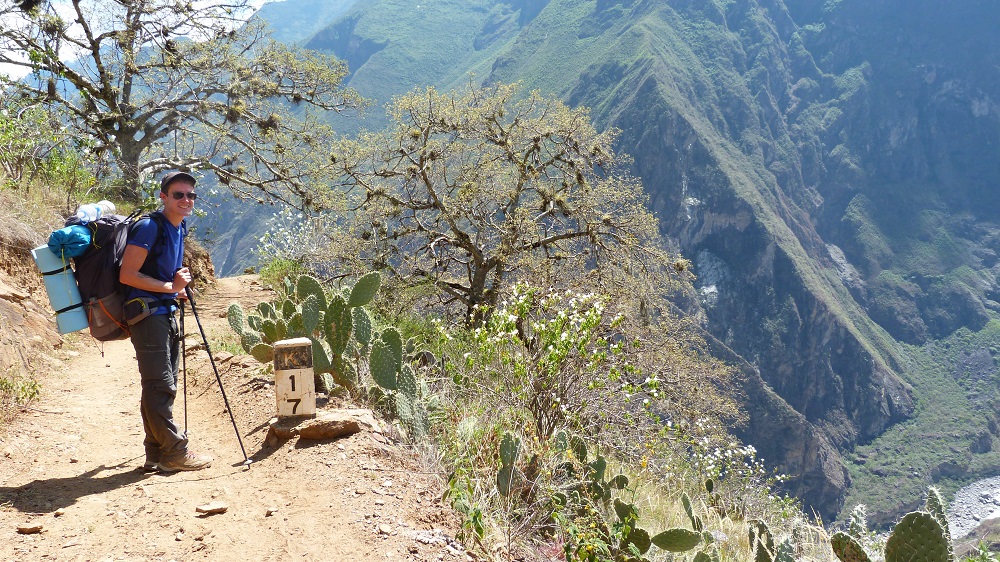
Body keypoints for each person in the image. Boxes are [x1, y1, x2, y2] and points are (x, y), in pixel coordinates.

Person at [120, 171, 212, 472]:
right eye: (178, 195)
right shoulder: (149, 227)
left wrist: (177, 289)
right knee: (160, 385)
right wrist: (171, 288)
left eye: (191, 195)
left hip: (164, 311)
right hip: (147, 315)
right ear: (163, 197)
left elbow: (165, 276)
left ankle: (155, 453)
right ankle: (175, 451)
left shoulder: (179, 227)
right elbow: (128, 275)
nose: (186, 200)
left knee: (159, 385)